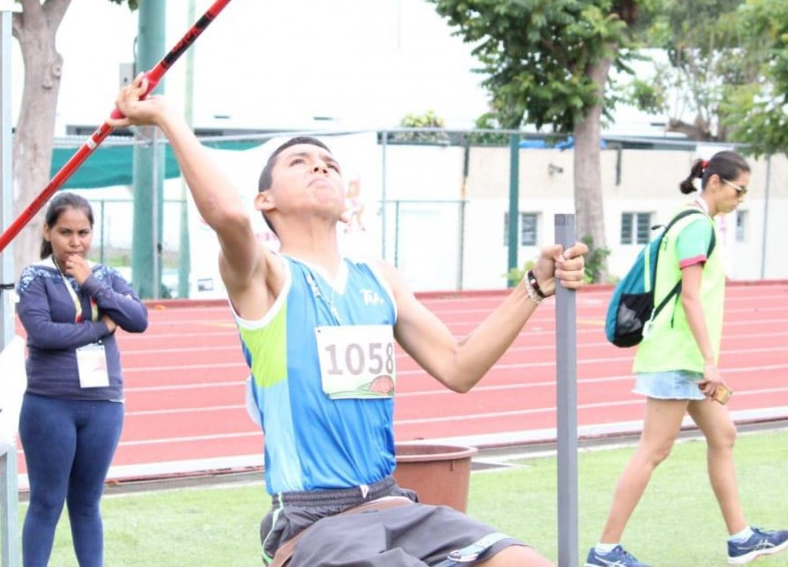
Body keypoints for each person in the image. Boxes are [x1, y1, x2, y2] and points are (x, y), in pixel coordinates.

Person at [109, 74, 588, 567]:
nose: (320, 165)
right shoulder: (265, 277)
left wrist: (533, 286)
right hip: (316, 522)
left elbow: (460, 366)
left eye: (329, 164)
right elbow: (227, 216)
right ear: (265, 201)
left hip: (394, 503)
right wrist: (165, 116)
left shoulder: (379, 280)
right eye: (300, 162)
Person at [585, 151, 788, 567]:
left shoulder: (686, 218)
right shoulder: (697, 227)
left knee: (723, 434)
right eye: (739, 190)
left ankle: (741, 538)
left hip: (683, 358)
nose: (741, 199)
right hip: (677, 358)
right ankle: (605, 551)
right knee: (653, 451)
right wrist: (710, 360)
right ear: (714, 182)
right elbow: (692, 296)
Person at [16, 192, 149, 567]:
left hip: (103, 405)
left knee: (87, 503)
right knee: (46, 501)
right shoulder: (35, 276)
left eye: (83, 233)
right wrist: (102, 327)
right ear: (47, 231)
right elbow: (42, 333)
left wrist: (91, 283)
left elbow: (138, 320)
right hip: (49, 404)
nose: (75, 242)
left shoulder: (105, 275)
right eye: (65, 232)